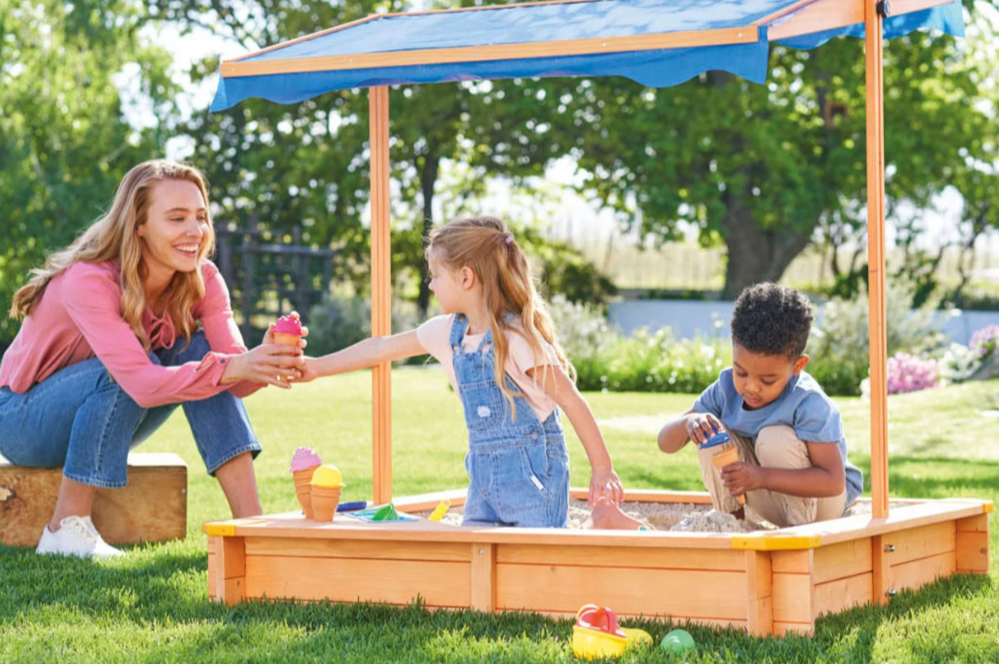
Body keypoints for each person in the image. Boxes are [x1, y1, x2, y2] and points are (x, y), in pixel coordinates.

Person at [0, 160, 307, 558]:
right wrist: (233, 366)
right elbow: (141, 384)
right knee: (126, 371)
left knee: (203, 355)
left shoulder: (204, 279)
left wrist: (264, 359)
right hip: (24, 420)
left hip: (105, 417)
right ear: (138, 225)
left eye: (200, 217)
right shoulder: (88, 280)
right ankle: (65, 529)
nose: (195, 231)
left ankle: (252, 528)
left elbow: (237, 378)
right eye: (176, 218)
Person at [295, 216, 624, 527]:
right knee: (475, 559)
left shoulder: (517, 338)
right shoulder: (447, 332)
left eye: (435, 275)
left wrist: (602, 468)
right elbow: (379, 348)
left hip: (536, 485)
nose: (430, 286)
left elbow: (570, 399)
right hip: (484, 488)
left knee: (537, 562)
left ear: (466, 278)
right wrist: (315, 367)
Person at [656, 283, 863, 528]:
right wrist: (688, 423)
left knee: (773, 438)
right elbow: (665, 443)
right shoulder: (725, 389)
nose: (751, 387)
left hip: (823, 506)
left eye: (768, 380)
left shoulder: (808, 403)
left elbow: (832, 481)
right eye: (741, 372)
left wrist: (761, 477)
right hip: (768, 495)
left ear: (798, 366)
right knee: (709, 432)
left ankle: (797, 536)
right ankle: (732, 523)